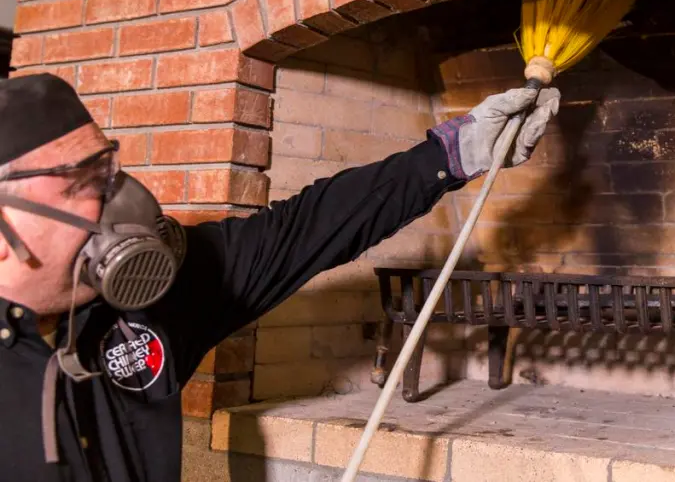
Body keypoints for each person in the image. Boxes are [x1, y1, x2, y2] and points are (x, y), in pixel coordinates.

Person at [0, 72, 560, 482]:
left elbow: (304, 229)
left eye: (111, 170)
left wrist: (451, 154)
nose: (121, 202)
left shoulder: (146, 306)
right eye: (83, 182)